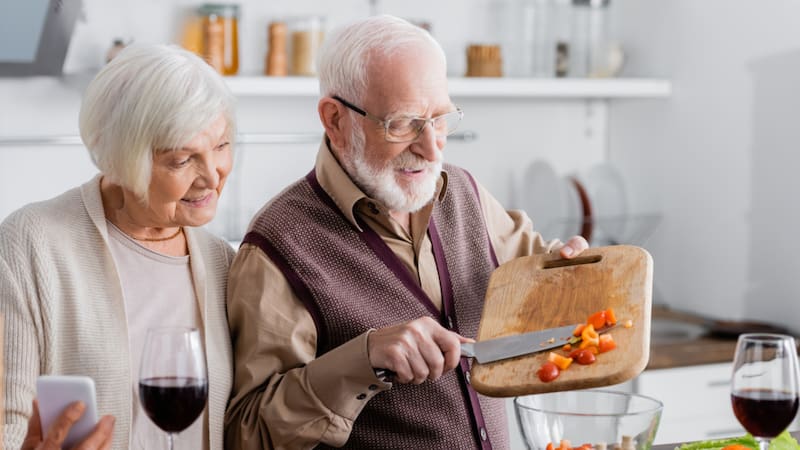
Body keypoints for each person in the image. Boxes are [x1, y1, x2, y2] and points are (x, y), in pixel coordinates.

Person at [224, 15, 589, 450]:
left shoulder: (464, 193)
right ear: (335, 120)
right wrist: (363, 361)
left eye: (440, 119)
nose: (432, 146)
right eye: (403, 124)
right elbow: (247, 433)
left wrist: (568, 268)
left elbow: (538, 268)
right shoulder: (279, 245)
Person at [0, 44, 237, 450]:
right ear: (119, 161)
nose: (212, 177)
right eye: (182, 160)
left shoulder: (222, 262)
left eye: (221, 146)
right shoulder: (31, 243)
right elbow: (9, 420)